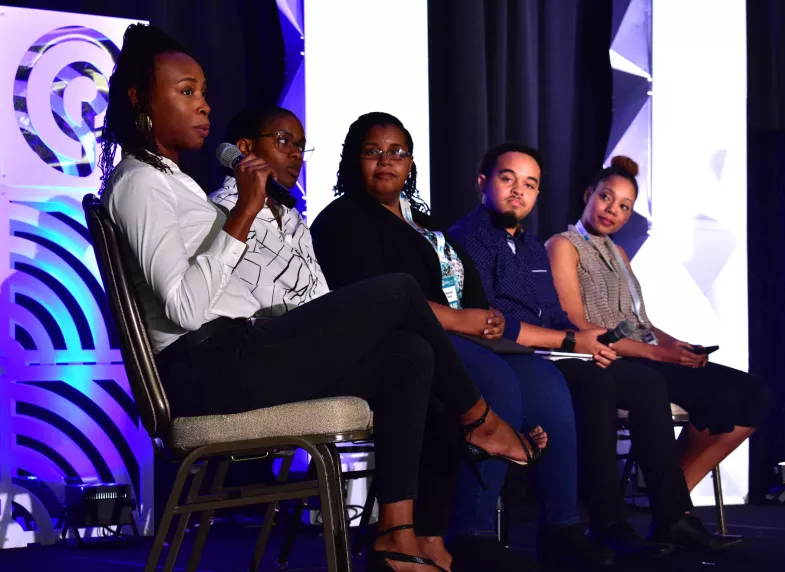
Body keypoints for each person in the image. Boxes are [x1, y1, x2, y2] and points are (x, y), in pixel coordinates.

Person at [98, 24, 539, 572]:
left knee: (410, 356)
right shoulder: (140, 183)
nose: (204, 105)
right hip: (207, 367)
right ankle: (480, 420)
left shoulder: (174, 181)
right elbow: (186, 310)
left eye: (204, 92)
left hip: (240, 349)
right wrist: (244, 214)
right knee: (400, 292)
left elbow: (232, 290)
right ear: (140, 99)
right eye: (186, 92)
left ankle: (397, 536)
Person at [309, 112, 612, 571]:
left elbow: (458, 283)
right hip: (397, 344)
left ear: (411, 163)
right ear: (353, 159)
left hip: (455, 335)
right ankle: (472, 533)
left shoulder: (420, 220)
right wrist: (464, 321)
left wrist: (486, 318)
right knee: (497, 381)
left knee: (546, 383)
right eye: (373, 151)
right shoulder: (344, 220)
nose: (386, 160)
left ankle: (563, 527)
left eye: (397, 152)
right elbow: (376, 299)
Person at [450, 142, 742, 560]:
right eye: (507, 179)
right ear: (483, 182)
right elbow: (492, 319)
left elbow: (556, 313)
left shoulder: (530, 245)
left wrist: (591, 344)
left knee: (644, 383)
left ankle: (670, 515)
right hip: (511, 354)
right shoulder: (468, 239)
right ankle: (599, 523)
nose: (518, 191)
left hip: (556, 350)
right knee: (597, 384)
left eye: (529, 184)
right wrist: (575, 341)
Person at [546, 155, 771, 507]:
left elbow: (642, 323)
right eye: (606, 197)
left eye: (624, 206)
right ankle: (673, 505)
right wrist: (659, 353)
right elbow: (577, 322)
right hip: (609, 359)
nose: (612, 210)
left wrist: (678, 346)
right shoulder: (562, 244)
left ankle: (674, 495)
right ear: (589, 195)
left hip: (645, 354)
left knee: (753, 392)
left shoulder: (619, 253)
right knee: (721, 395)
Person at [209, 106, 328, 316]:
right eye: (284, 141)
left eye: (300, 147)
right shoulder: (224, 209)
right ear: (245, 148)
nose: (296, 154)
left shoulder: (291, 215)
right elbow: (263, 307)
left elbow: (318, 293)